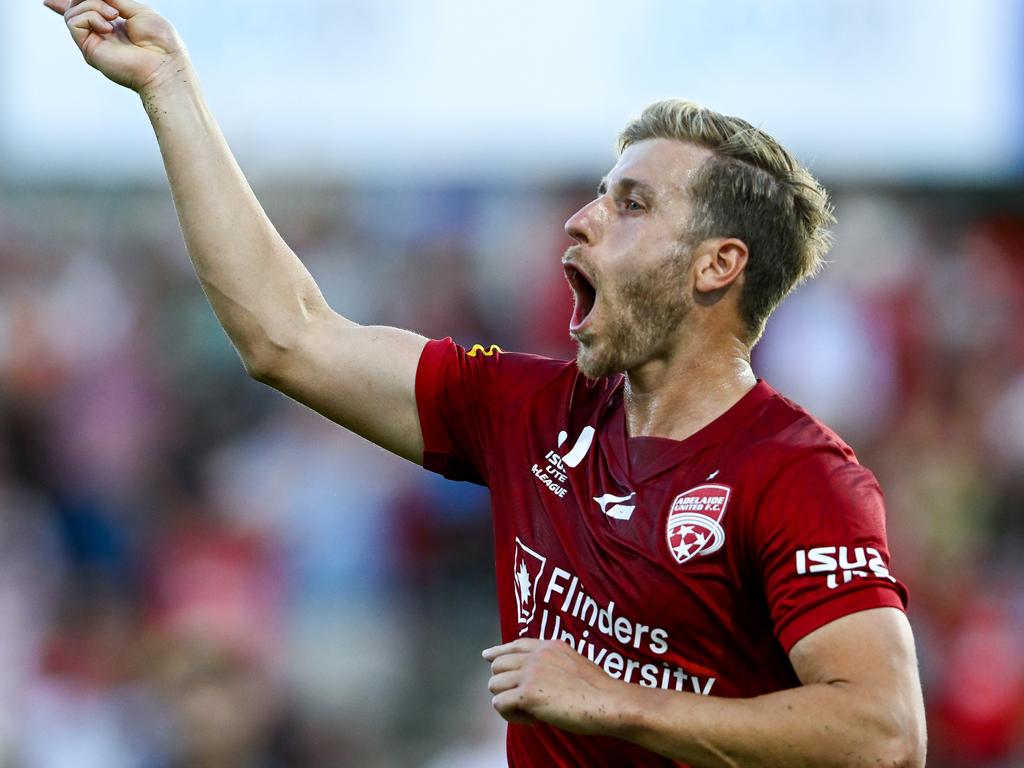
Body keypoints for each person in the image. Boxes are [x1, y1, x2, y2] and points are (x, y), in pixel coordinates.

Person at [45, 1, 927, 766]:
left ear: (717, 265)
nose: (580, 221)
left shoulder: (801, 477)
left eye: (631, 204)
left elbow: (883, 733)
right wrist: (169, 87)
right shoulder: (530, 410)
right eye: (598, 195)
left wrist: (614, 698)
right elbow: (289, 336)